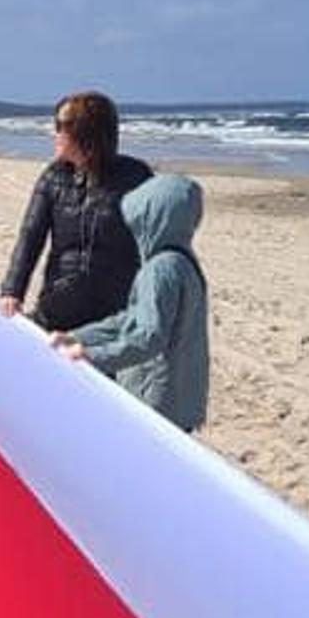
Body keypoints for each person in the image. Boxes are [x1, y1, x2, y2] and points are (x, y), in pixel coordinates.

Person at [50, 175, 210, 432]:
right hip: (181, 402)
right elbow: (131, 319)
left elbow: (148, 338)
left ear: (154, 219)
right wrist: (81, 337)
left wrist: (91, 356)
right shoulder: (182, 261)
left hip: (157, 403)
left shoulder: (160, 270)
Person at [0, 91, 153, 330]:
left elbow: (154, 239)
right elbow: (30, 236)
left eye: (62, 127)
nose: (55, 134)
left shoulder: (134, 176)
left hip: (114, 309)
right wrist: (12, 290)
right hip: (60, 301)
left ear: (87, 134)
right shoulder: (53, 176)